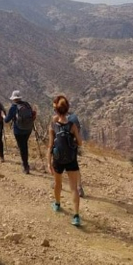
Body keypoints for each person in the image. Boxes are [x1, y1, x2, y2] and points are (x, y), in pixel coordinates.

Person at [48, 95, 83, 226]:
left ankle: (57, 204)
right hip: (71, 159)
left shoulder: (53, 125)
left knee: (58, 184)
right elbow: (80, 143)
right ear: (67, 109)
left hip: (57, 159)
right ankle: (76, 216)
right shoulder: (72, 125)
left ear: (56, 110)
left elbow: (50, 145)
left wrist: (48, 162)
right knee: (74, 187)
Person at [4, 90, 35, 174]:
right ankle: (26, 164)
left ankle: (26, 166)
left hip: (18, 130)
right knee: (24, 145)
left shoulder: (13, 107)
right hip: (28, 129)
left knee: (22, 147)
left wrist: (3, 116)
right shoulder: (27, 104)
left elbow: (7, 120)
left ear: (14, 99)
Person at [67, 112, 85, 197]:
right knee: (75, 166)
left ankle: (56, 183)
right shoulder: (74, 117)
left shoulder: (57, 118)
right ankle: (79, 188)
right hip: (73, 145)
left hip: (61, 146)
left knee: (58, 165)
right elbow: (79, 141)